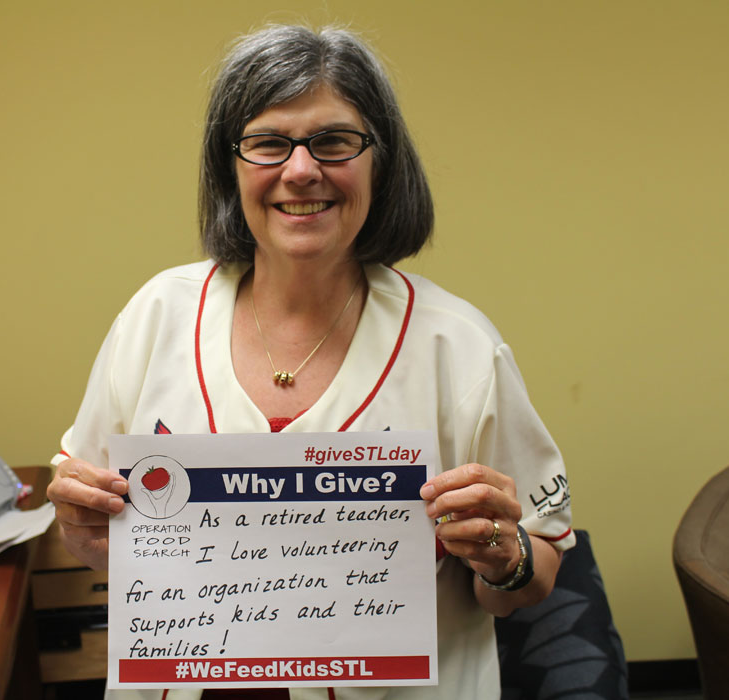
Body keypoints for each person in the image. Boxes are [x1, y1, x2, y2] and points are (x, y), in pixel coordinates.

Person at [47, 24, 574, 700]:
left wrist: (506, 559)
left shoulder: (459, 347)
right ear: (229, 165)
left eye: (333, 141)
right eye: (269, 142)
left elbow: (536, 572)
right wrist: (82, 529)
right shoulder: (155, 316)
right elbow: (102, 544)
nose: (301, 170)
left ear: (379, 163)